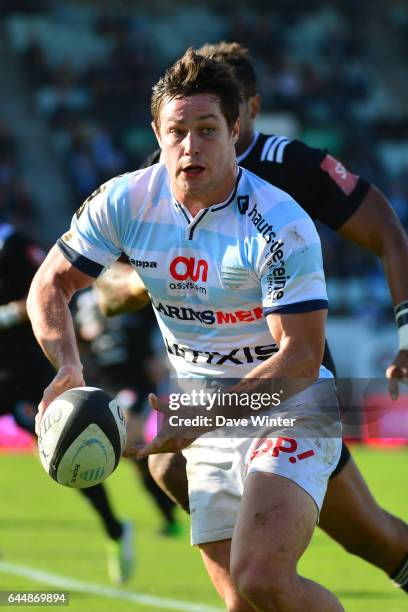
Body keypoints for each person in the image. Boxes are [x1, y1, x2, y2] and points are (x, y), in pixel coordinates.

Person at [28, 48, 344, 611]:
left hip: (292, 402)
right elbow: (50, 284)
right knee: (242, 604)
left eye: (207, 129)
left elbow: (299, 360)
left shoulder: (280, 222)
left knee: (262, 577)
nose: (191, 146)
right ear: (157, 131)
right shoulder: (124, 200)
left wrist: (197, 418)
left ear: (235, 129)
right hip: (201, 402)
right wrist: (69, 368)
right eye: (178, 131)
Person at [97, 41, 408, 594]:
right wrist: (153, 274)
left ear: (248, 112)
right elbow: (108, 288)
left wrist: (406, 328)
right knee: (172, 472)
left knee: (368, 537)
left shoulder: (294, 166)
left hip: (288, 383)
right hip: (210, 381)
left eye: (218, 120)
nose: (200, 140)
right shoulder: (164, 174)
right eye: (186, 125)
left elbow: (386, 230)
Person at [0, 219, 134, 585]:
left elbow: (47, 294)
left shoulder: (12, 244)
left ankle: (114, 529)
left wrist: (7, 315)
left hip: (27, 375)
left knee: (64, 448)